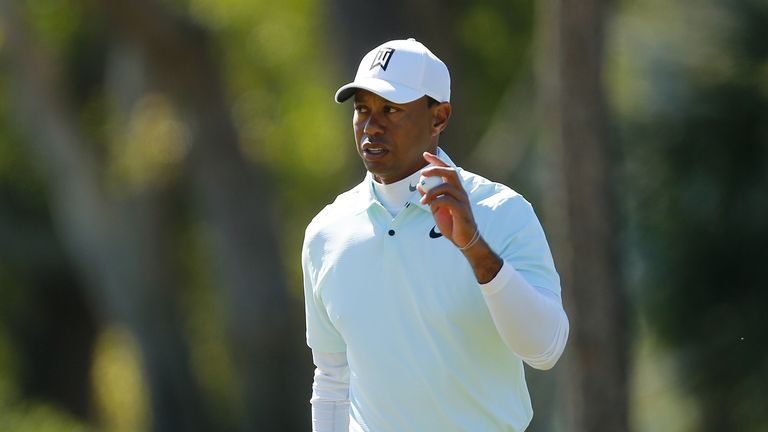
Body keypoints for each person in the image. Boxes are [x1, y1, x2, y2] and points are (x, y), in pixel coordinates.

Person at [301, 38, 569, 432]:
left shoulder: (501, 211)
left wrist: (475, 248)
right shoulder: (327, 231)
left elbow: (546, 349)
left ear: (439, 117)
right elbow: (332, 377)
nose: (371, 126)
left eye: (391, 109)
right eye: (362, 109)